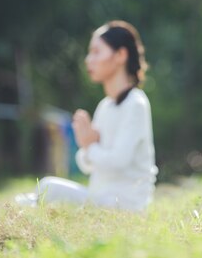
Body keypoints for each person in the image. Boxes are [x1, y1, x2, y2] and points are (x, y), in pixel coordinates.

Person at [16, 20, 157, 211]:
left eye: (97, 52)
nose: (88, 59)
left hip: (125, 206)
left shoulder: (136, 103)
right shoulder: (105, 106)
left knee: (48, 187)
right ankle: (27, 206)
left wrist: (90, 146)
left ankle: (27, 207)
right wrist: (87, 145)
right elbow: (86, 165)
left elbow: (119, 161)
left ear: (120, 55)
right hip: (100, 199)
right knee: (43, 190)